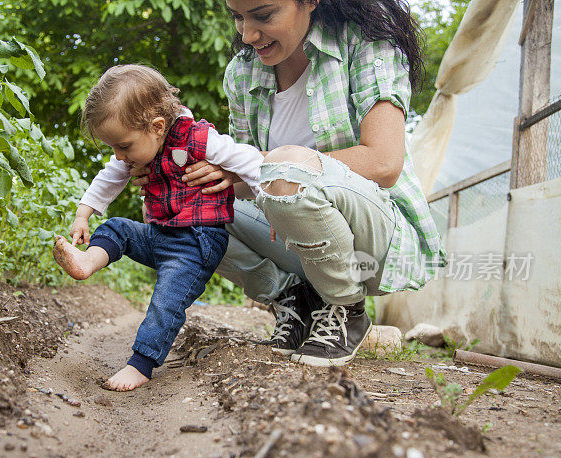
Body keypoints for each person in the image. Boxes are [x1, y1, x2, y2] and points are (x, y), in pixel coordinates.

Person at [154, 0, 445, 367]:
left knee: (285, 165)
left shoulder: (368, 44)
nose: (247, 34)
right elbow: (254, 181)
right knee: (178, 198)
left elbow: (384, 162)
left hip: (369, 235)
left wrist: (273, 168)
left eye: (262, 15)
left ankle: (345, 308)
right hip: (291, 228)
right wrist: (226, 175)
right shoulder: (242, 72)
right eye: (238, 17)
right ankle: (296, 299)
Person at [53, 64, 263, 391]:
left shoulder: (200, 139)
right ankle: (86, 261)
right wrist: (84, 213)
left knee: (167, 300)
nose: (119, 156)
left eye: (123, 147)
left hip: (197, 242)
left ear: (157, 125)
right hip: (160, 235)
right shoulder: (138, 143)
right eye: (113, 148)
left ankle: (141, 364)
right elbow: (110, 176)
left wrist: (275, 209)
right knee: (118, 228)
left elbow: (252, 163)